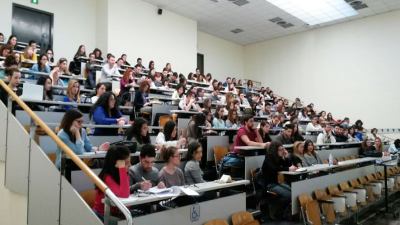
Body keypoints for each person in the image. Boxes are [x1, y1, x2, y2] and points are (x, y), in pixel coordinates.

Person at [93, 146, 130, 220]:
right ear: (116, 164)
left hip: (115, 215)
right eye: (126, 163)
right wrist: (122, 168)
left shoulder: (122, 175)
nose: (130, 165)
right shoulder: (107, 178)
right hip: (101, 217)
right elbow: (124, 195)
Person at [262, 141, 296, 219]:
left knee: (293, 192)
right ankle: (275, 210)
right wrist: (288, 168)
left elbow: (287, 165)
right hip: (269, 185)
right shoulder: (268, 157)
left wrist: (286, 157)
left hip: (276, 183)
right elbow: (274, 169)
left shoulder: (278, 157)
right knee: (289, 195)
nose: (283, 151)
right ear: (275, 150)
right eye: (280, 149)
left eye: (283, 149)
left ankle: (282, 211)